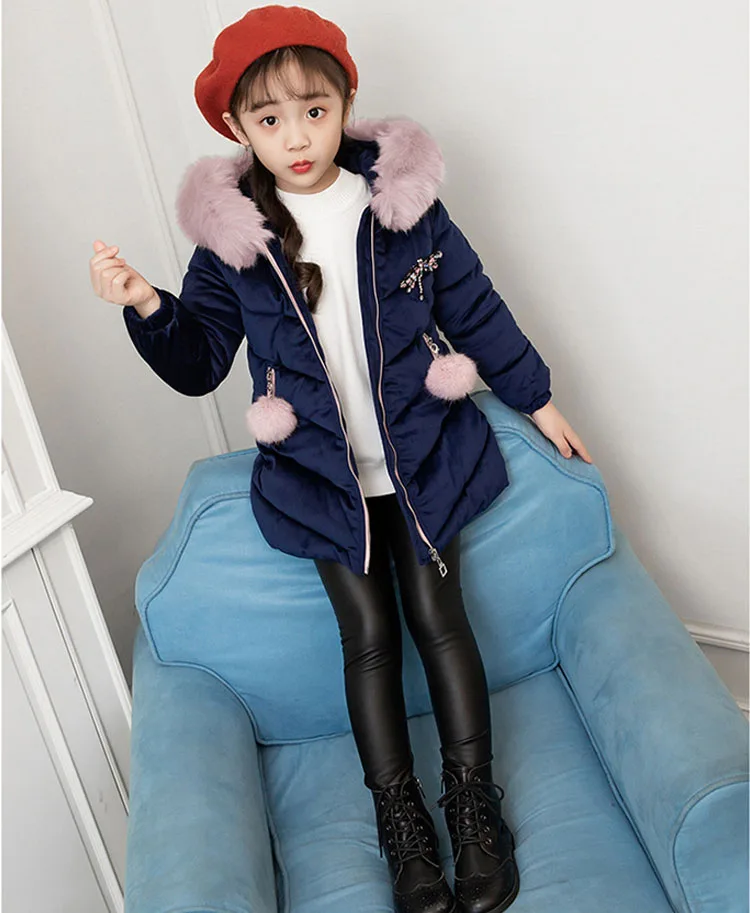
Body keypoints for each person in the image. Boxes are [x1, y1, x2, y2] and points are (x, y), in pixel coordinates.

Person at [89, 6, 592, 912]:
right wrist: (147, 304)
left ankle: (473, 808)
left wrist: (539, 397)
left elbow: (474, 304)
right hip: (321, 481)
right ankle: (402, 826)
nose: (296, 137)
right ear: (237, 128)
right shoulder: (233, 240)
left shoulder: (402, 205)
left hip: (425, 460)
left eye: (314, 111)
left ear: (346, 104)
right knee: (368, 641)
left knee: (441, 620)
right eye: (269, 119)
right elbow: (201, 361)